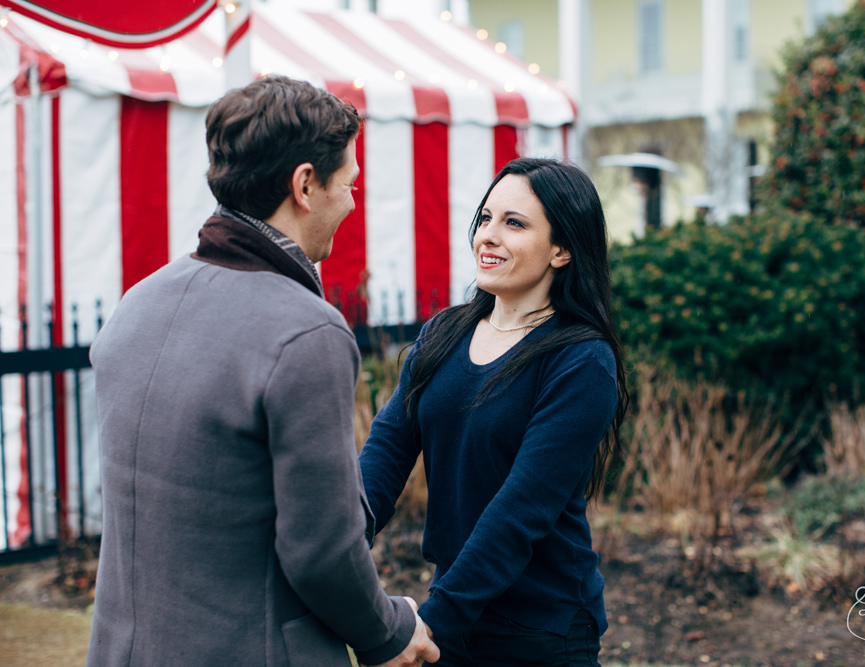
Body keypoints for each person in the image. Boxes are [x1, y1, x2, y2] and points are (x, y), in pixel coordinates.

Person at [87, 76, 438, 667]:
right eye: (348, 183)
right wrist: (389, 630)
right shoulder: (306, 332)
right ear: (305, 185)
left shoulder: (138, 301)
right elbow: (322, 548)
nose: (351, 201)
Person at [359, 157, 629, 665]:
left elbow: (520, 510)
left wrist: (432, 623)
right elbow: (386, 453)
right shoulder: (444, 333)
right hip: (456, 612)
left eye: (514, 223)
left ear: (563, 249)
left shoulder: (580, 360)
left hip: (538, 628)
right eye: (485, 218)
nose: (488, 236)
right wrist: (337, 549)